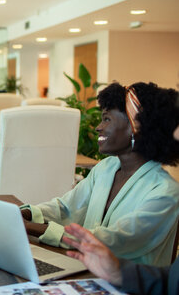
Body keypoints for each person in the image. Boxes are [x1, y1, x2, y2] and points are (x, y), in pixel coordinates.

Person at [21, 82, 179, 266]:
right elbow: (66, 208)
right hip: (87, 270)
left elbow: (111, 240)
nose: (98, 127)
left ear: (136, 127)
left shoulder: (165, 192)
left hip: (127, 286)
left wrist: (32, 228)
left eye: (107, 119)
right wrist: (26, 213)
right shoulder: (106, 167)